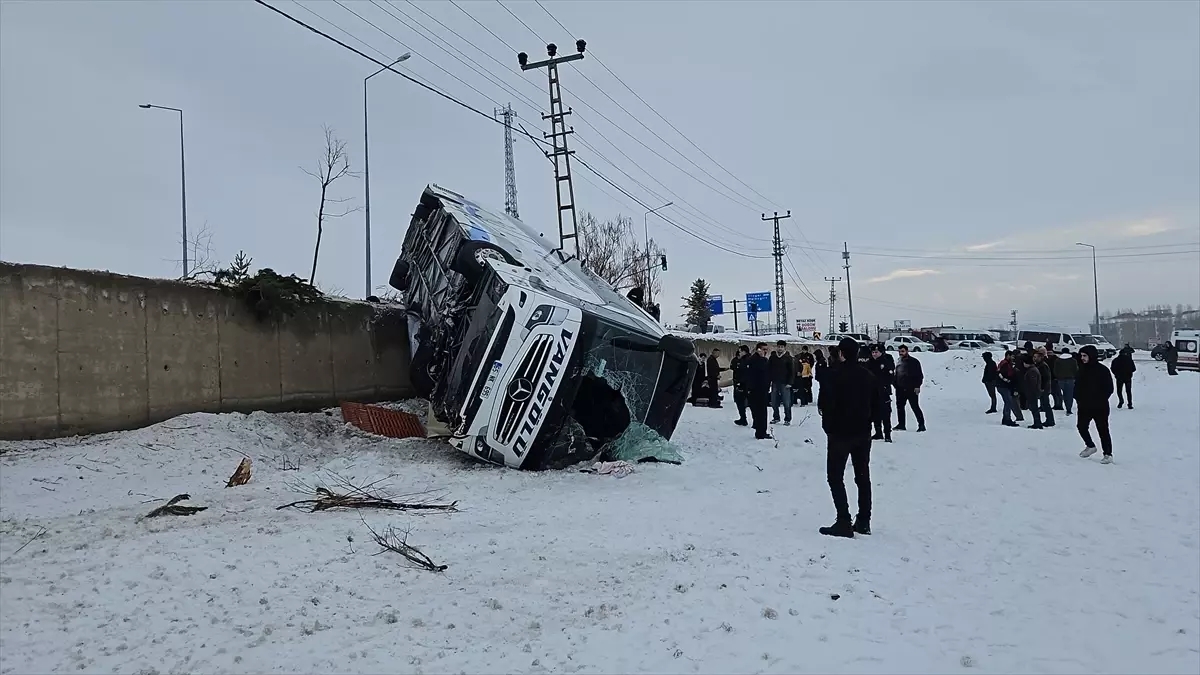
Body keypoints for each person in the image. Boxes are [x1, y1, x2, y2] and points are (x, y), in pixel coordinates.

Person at [818, 338, 878, 538]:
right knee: (863, 477)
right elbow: (879, 404)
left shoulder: (832, 375)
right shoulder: (868, 375)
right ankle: (864, 521)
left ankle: (843, 520)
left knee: (835, 477)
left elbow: (824, 405)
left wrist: (829, 428)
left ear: (841, 353)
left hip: (839, 434)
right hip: (862, 433)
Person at [1075, 345, 1115, 464]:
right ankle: (1090, 446)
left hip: (1099, 406)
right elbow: (1077, 386)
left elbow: (1109, 388)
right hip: (1084, 406)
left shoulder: (1102, 370)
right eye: (1081, 356)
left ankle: (1108, 454)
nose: (1082, 358)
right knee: (1081, 426)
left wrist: (1099, 399)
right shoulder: (1081, 369)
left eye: (1085, 356)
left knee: (1102, 430)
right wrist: (1077, 397)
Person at [893, 345, 926, 432]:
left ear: (907, 351)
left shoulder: (914, 362)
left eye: (903, 351)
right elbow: (896, 374)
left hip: (911, 388)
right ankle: (901, 424)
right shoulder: (898, 362)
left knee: (915, 407)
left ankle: (921, 425)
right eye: (899, 351)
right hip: (900, 389)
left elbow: (919, 375)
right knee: (900, 407)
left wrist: (917, 386)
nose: (901, 353)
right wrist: (895, 384)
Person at [867, 343, 894, 442]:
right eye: (873, 352)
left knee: (886, 414)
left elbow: (890, 377)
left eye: (876, 352)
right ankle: (878, 432)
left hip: (883, 392)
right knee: (874, 413)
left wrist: (883, 385)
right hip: (872, 392)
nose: (874, 354)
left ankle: (887, 434)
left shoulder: (886, 362)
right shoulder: (869, 362)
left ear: (881, 353)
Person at [747, 342, 772, 440]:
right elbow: (752, 375)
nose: (765, 351)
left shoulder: (764, 360)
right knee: (759, 412)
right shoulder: (753, 360)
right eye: (763, 349)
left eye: (766, 349)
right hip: (756, 390)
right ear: (758, 349)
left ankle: (761, 431)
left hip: (763, 389)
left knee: (762, 411)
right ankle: (760, 432)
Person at [768, 340, 795, 425]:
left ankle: (787, 419)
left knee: (786, 402)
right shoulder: (772, 357)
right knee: (774, 401)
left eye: (782, 347)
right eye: (778, 346)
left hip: (785, 383)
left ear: (784, 348)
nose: (780, 348)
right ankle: (776, 417)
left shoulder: (788, 358)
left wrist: (790, 382)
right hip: (775, 382)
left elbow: (792, 371)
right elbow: (769, 369)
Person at [995, 350, 1024, 426]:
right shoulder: (1005, 364)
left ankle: (1006, 418)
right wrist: (1010, 381)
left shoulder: (1005, 363)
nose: (1013, 358)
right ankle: (1007, 419)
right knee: (1008, 402)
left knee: (1008, 402)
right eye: (1012, 356)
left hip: (1002, 386)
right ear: (1008, 355)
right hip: (1003, 386)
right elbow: (1004, 375)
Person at [1023, 350, 1045, 429]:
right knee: (1034, 408)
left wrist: (1031, 392)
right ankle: (1037, 422)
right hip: (1033, 392)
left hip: (1033, 393)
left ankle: (1037, 423)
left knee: (1034, 408)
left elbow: (1033, 383)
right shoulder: (1033, 369)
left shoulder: (1032, 371)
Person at [1053, 347, 1078, 416]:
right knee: (1069, 395)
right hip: (1070, 380)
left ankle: (1059, 404)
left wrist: (1057, 377)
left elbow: (1055, 370)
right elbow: (1076, 370)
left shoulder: (1058, 360)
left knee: (1061, 393)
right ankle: (1069, 409)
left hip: (1060, 380)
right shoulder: (1073, 360)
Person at [730, 345, 751, 426]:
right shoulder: (741, 359)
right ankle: (743, 418)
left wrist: (740, 383)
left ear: (744, 351)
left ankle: (744, 418)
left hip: (743, 384)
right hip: (743, 384)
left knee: (741, 402)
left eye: (740, 351)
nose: (739, 352)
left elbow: (744, 373)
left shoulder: (746, 360)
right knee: (741, 402)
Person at [1035, 347, 1056, 427]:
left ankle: (1050, 420)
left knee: (1046, 405)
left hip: (1044, 389)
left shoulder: (1043, 366)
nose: (1034, 358)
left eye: (1036, 357)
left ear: (1041, 357)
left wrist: (1042, 388)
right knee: (1045, 404)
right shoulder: (1040, 365)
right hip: (1043, 388)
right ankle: (1049, 420)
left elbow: (1045, 378)